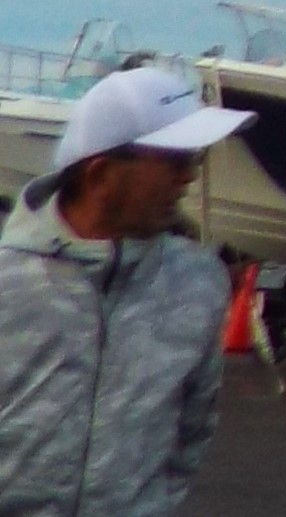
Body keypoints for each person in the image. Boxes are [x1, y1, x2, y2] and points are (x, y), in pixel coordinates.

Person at [0, 67, 253, 517]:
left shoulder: (197, 282)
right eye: (175, 160)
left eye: (194, 160)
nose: (189, 177)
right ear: (100, 175)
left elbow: (191, 430)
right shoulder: (9, 280)